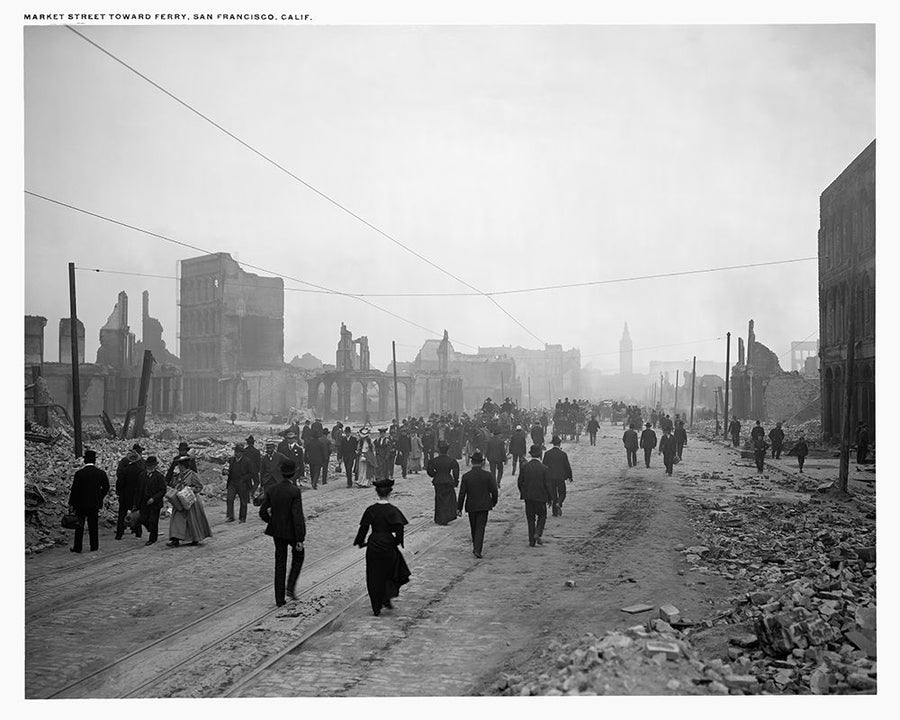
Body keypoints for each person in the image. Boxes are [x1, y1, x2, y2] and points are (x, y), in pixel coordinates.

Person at [353, 478, 410, 616]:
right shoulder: (393, 510)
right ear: (390, 493)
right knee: (390, 572)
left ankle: (376, 606)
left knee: (373, 574)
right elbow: (399, 528)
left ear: (377, 492)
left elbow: (363, 528)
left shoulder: (371, 510)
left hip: (373, 544)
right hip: (388, 544)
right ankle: (387, 598)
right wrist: (397, 542)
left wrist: (360, 542)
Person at [259, 460, 306, 606]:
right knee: (299, 556)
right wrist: (300, 538)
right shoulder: (294, 491)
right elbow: (297, 515)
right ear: (293, 474)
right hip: (292, 532)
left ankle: (279, 599)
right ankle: (290, 587)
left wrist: (273, 522)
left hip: (277, 532)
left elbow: (262, 512)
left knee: (280, 563)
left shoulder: (272, 489)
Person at [456, 452, 498, 558]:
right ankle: (477, 549)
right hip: (484, 505)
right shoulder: (488, 475)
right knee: (481, 527)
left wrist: (459, 508)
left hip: (471, 505)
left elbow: (462, 493)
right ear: (482, 462)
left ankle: (476, 546)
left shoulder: (466, 476)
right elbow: (494, 490)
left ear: (471, 462)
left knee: (473, 527)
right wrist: (493, 502)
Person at [67, 450, 109, 553]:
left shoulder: (79, 474)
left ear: (85, 461)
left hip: (80, 504)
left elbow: (74, 490)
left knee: (79, 526)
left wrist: (71, 504)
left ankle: (78, 547)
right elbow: (106, 487)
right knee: (93, 526)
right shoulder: (101, 473)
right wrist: (99, 496)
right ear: (94, 461)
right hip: (94, 504)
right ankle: (94, 546)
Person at [167, 456, 213, 547]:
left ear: (183, 466)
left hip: (191, 501)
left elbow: (199, 487)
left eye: (179, 465)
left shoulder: (192, 475)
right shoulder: (178, 475)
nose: (178, 467)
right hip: (179, 500)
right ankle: (175, 539)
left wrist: (189, 490)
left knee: (192, 520)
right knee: (176, 518)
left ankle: (195, 538)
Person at [518, 445, 552, 547]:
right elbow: (548, 484)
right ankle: (537, 533)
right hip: (541, 497)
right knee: (542, 516)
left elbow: (520, 482)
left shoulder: (525, 467)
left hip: (528, 497)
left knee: (530, 519)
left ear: (530, 454)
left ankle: (531, 541)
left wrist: (524, 492)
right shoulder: (544, 468)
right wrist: (550, 498)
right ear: (540, 454)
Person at [136, 456, 167, 545]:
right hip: (144, 502)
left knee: (153, 520)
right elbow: (138, 490)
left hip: (155, 503)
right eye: (148, 465)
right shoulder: (142, 475)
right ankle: (151, 529)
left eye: (151, 465)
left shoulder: (159, 476)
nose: (149, 467)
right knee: (143, 518)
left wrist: (154, 498)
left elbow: (163, 490)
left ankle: (152, 538)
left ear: (154, 466)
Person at [426, 441, 459, 525]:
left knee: (439, 499)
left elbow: (429, 471)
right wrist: (456, 481)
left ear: (439, 450)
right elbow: (456, 472)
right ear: (447, 450)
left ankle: (440, 518)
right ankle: (447, 517)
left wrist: (435, 475)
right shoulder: (452, 460)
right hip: (448, 480)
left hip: (438, 481)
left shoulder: (433, 461)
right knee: (448, 500)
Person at [115, 449, 144, 540]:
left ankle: (119, 533)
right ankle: (138, 532)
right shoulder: (140, 471)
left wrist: (119, 493)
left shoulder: (124, 470)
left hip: (125, 495)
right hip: (135, 496)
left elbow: (119, 483)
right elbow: (142, 485)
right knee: (136, 514)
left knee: (122, 514)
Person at [543, 435, 573, 517]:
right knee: (562, 493)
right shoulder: (563, 454)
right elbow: (567, 466)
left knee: (553, 495)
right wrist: (570, 476)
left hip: (550, 477)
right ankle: (559, 503)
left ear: (553, 444)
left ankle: (554, 513)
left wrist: (543, 477)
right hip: (560, 477)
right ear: (559, 444)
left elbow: (544, 466)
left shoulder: (547, 454)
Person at [224, 443, 254, 522]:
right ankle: (230, 516)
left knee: (243, 501)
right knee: (229, 499)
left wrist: (243, 479)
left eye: (238, 452)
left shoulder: (247, 461)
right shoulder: (231, 460)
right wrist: (224, 471)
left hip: (243, 484)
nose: (236, 453)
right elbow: (225, 468)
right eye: (235, 452)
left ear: (242, 453)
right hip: (232, 483)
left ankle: (242, 518)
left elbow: (251, 473)